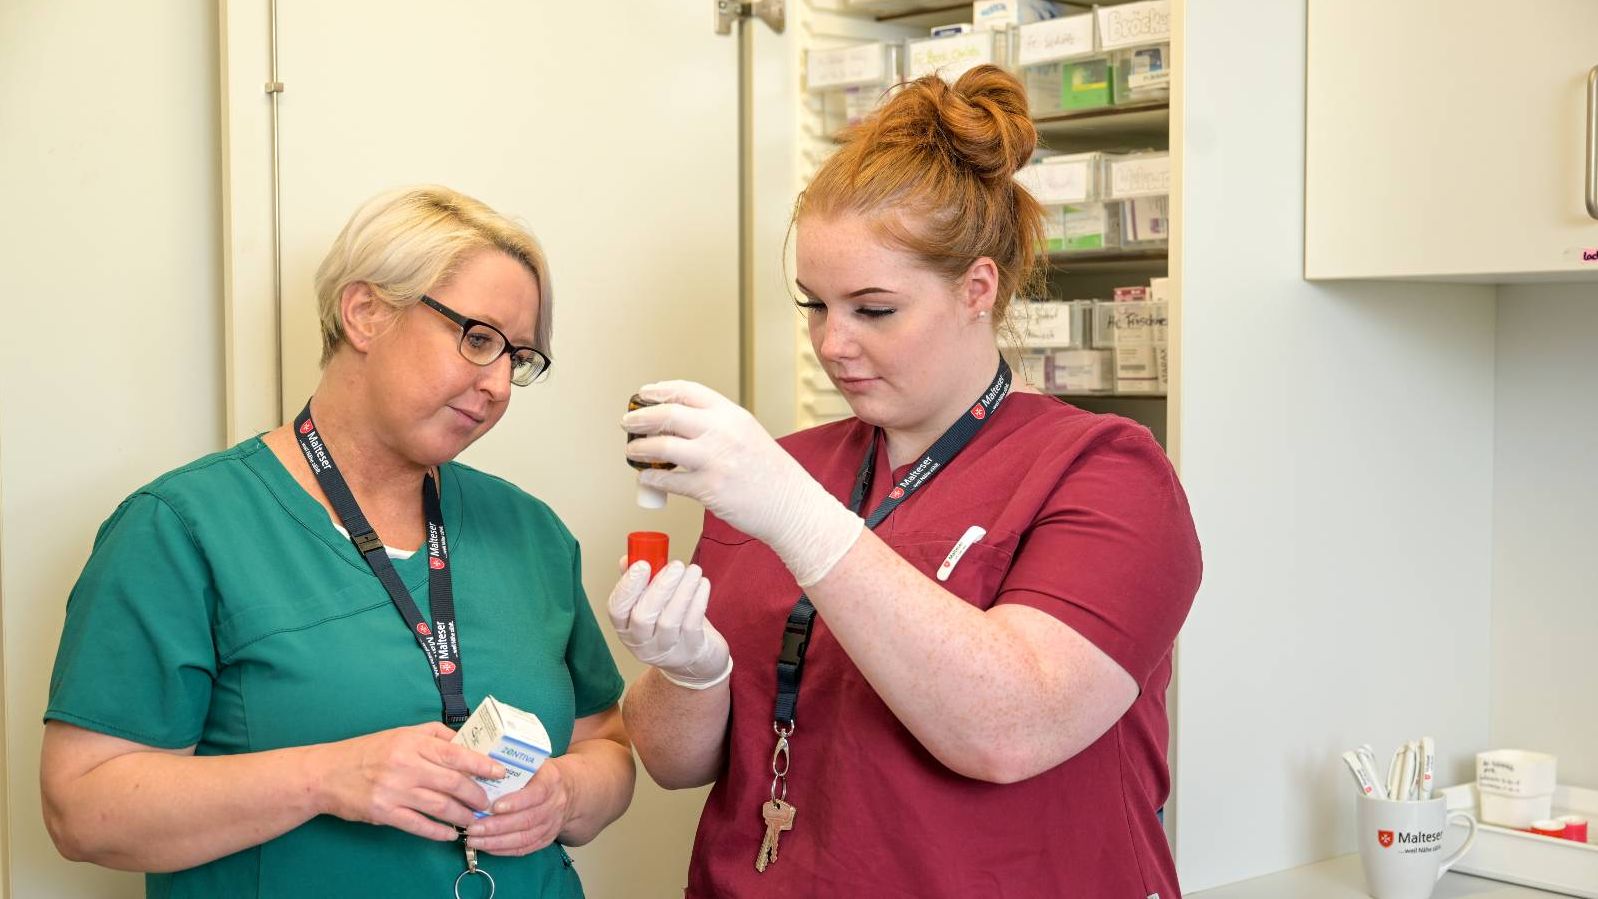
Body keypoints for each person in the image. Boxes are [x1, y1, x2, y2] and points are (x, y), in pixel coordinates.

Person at [608, 66, 1201, 897]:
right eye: (814, 305)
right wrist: (688, 672)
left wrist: (795, 514)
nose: (832, 343)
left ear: (977, 288)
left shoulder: (1105, 473)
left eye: (873, 309)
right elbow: (677, 764)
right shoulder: (784, 471)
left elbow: (1009, 730)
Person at [41, 186, 633, 898]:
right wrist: (326, 779)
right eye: (479, 340)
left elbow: (607, 743)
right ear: (365, 312)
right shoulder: (180, 528)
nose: (500, 384)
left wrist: (566, 793)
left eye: (520, 357)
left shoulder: (530, 532)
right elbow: (81, 810)